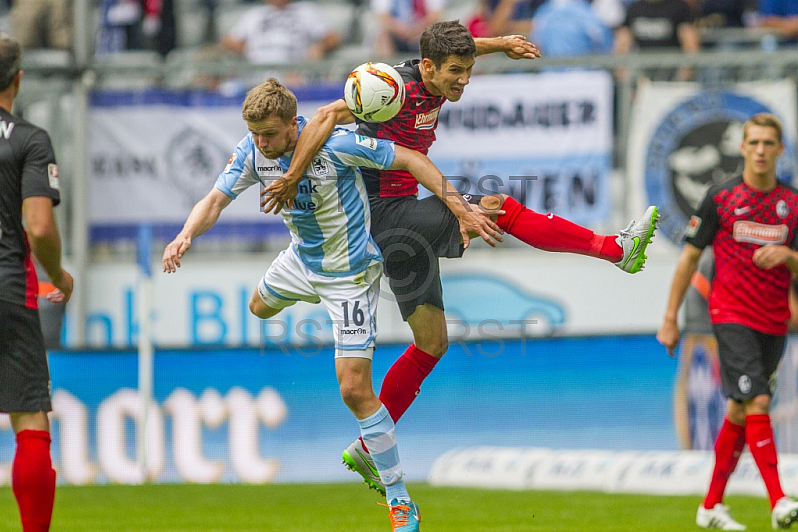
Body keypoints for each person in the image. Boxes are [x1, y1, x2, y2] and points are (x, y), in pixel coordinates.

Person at [262, 20, 660, 494]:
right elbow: (326, 115)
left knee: (431, 343)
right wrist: (292, 178)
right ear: (427, 67)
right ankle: (616, 249)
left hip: (399, 225)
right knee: (495, 205)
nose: (465, 80)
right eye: (456, 71)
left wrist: (501, 45)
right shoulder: (393, 88)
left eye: (469, 69)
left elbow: (460, 50)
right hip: (386, 216)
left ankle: (370, 448)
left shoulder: (436, 69)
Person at [162, 78, 501, 531]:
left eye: (269, 134)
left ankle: (399, 498)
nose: (261, 143)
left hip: (351, 276)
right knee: (257, 307)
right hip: (302, 261)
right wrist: (185, 235)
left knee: (352, 389)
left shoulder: (338, 144)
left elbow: (412, 158)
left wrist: (457, 206)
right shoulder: (251, 150)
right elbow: (214, 201)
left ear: (292, 124)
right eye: (255, 133)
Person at [657, 113, 798, 530]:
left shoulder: (792, 204)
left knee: (739, 410)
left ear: (779, 149)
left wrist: (790, 257)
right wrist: (670, 318)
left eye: (767, 143)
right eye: (752, 143)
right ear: (742, 148)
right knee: (757, 402)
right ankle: (778, 500)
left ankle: (711, 506)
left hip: (774, 320)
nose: (759, 150)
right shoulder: (720, 198)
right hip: (730, 314)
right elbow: (688, 260)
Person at [0, 32, 74, 532]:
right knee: (29, 423)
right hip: (7, 290)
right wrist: (58, 275)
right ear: (18, 79)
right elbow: (39, 225)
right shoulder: (29, 139)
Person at [220, 0, 341, 64]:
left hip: (294, 72)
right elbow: (229, 41)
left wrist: (319, 48)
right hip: (257, 73)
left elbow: (333, 39)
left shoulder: (306, 11)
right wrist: (246, 49)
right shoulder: (254, 14)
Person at [371, 0, 445, 56]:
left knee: (437, 35)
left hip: (423, 32)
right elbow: (383, 16)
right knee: (383, 37)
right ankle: (386, 71)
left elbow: (435, 15)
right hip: (396, 33)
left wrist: (416, 30)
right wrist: (403, 30)